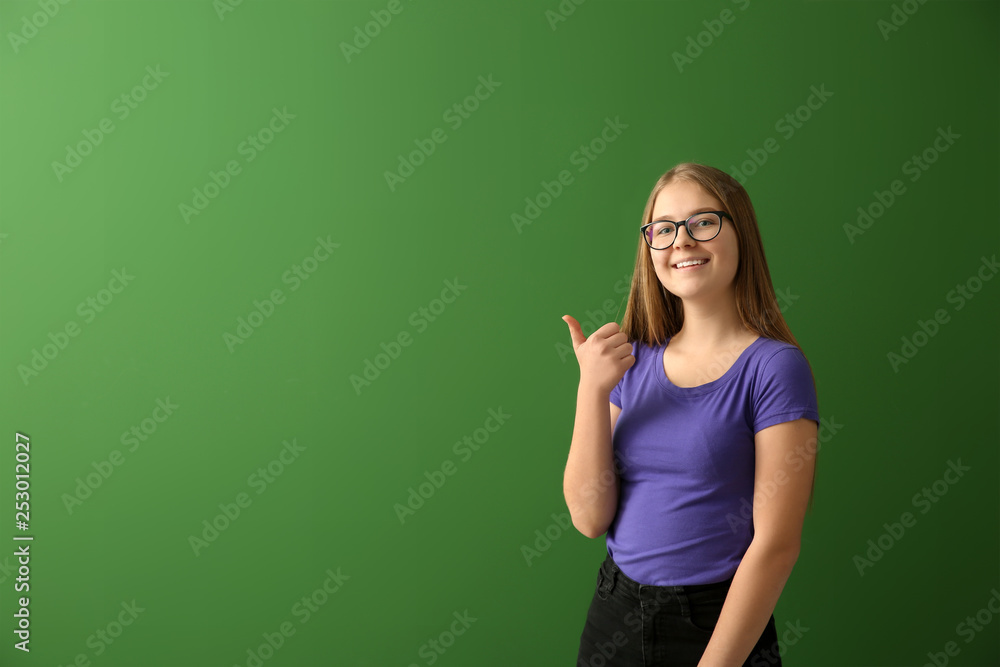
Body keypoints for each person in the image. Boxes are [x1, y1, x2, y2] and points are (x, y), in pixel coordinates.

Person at [562, 162, 819, 666]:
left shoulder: (774, 369)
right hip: (614, 612)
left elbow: (776, 546)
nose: (681, 241)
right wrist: (590, 390)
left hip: (715, 625)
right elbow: (589, 518)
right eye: (664, 228)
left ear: (739, 232)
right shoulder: (631, 359)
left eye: (703, 222)